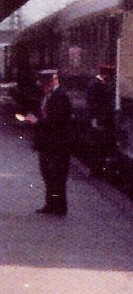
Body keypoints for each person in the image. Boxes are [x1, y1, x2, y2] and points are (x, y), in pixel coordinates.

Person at [24, 70, 74, 215]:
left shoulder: (61, 96)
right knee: (47, 174)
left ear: (52, 81)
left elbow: (57, 120)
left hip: (57, 144)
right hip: (46, 143)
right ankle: (50, 204)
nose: (42, 88)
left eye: (44, 84)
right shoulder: (48, 95)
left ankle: (59, 207)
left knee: (57, 175)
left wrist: (37, 121)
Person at [86, 64, 116, 178]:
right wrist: (96, 122)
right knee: (97, 146)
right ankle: (96, 171)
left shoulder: (96, 83)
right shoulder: (96, 85)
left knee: (99, 146)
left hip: (100, 120)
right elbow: (93, 105)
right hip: (98, 121)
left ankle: (96, 170)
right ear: (105, 74)